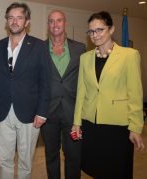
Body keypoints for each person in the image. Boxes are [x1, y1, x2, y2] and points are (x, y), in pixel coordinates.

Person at [72, 11, 145, 179]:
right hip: (91, 124)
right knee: (95, 168)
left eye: (99, 30)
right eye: (91, 31)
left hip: (117, 126)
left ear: (111, 29)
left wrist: (135, 127)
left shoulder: (129, 55)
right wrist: (76, 122)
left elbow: (135, 94)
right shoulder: (85, 58)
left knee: (116, 169)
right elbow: (81, 92)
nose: (94, 35)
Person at [0, 2, 50, 179]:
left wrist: (42, 112)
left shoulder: (39, 46)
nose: (15, 21)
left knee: (26, 160)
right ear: (7, 21)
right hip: (2, 112)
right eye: (11, 17)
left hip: (29, 113)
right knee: (4, 160)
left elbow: (45, 82)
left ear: (27, 22)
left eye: (19, 17)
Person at [41, 10, 86, 179]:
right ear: (48, 25)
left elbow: (85, 78)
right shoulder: (40, 49)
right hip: (48, 113)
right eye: (51, 21)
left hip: (73, 113)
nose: (55, 24)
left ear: (65, 23)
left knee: (73, 156)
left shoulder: (80, 48)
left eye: (59, 20)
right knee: (51, 155)